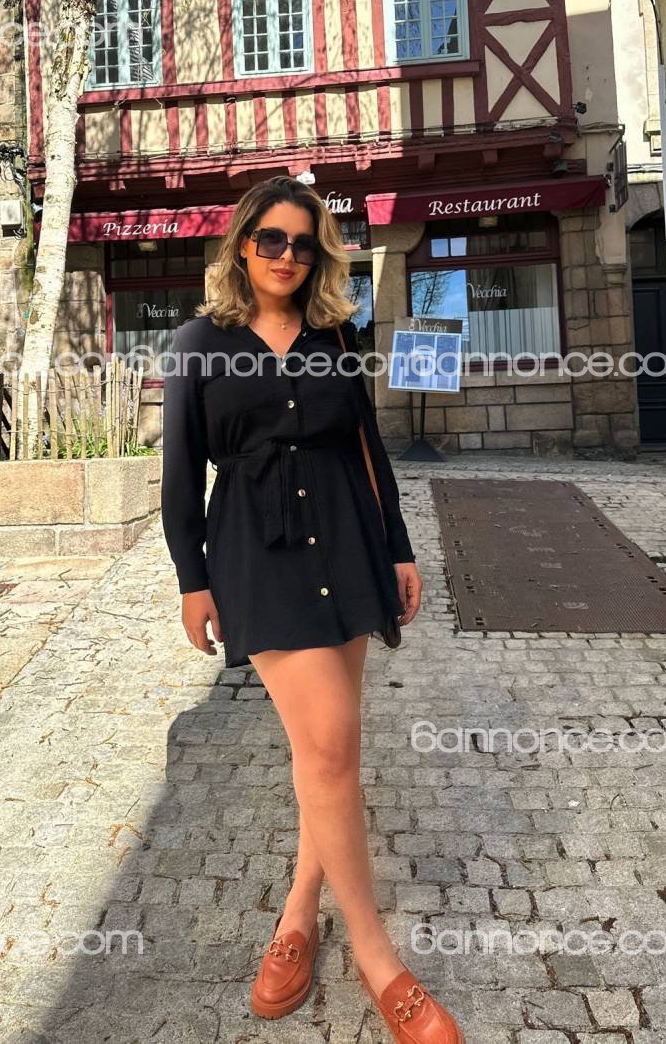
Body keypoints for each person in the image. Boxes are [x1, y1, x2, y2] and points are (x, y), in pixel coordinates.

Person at [161, 175, 464, 1044]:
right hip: (258, 558)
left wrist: (398, 544)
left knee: (326, 753)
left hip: (349, 542)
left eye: (302, 243)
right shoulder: (198, 344)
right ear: (242, 245)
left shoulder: (335, 336)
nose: (287, 255)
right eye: (272, 239)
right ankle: (378, 957)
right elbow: (181, 475)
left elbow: (368, 447)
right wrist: (192, 578)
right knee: (328, 746)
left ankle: (299, 912)